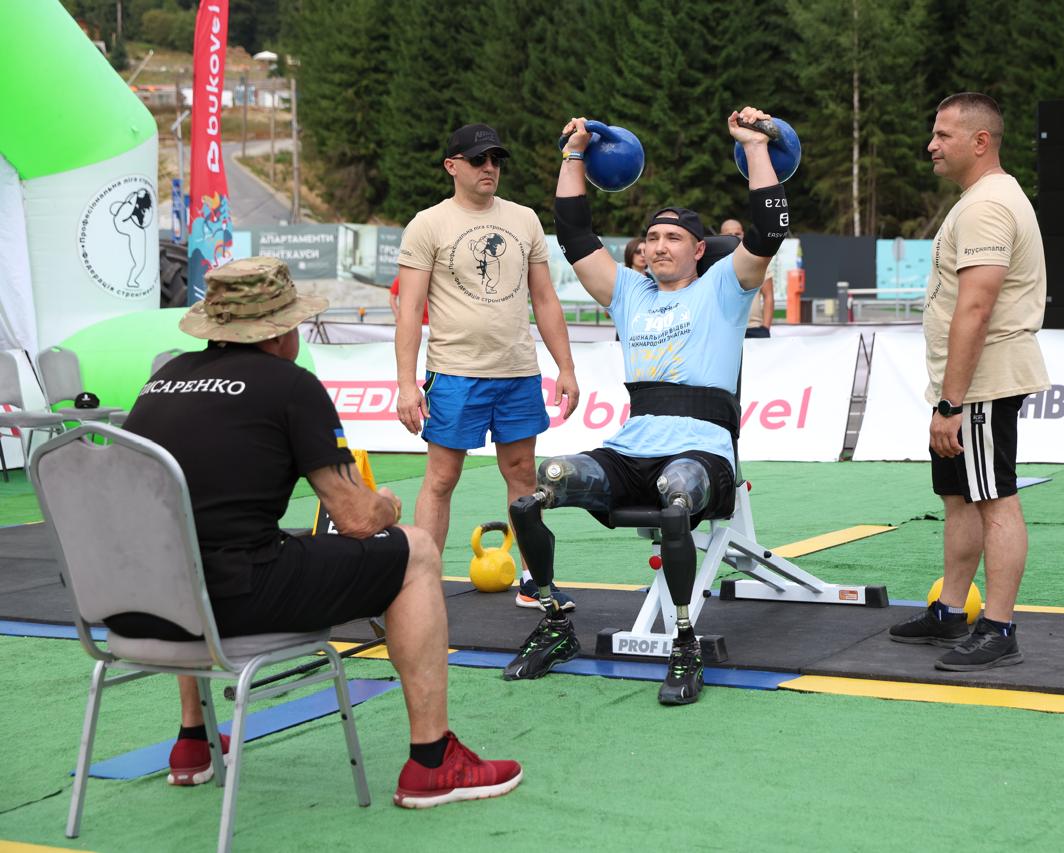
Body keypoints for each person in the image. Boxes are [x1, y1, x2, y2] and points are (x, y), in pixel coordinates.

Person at [121, 257, 521, 807]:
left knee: (186, 547)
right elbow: (355, 519)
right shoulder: (290, 385)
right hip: (236, 603)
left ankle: (194, 740)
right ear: (280, 331)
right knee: (416, 551)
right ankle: (432, 760)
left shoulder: (162, 380)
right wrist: (385, 505)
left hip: (135, 604)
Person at [501, 107, 789, 706]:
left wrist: (755, 146)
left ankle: (684, 643)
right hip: (632, 447)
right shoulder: (628, 291)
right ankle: (554, 622)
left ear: (700, 249)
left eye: (673, 238)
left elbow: (768, 229)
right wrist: (573, 153)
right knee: (539, 487)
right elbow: (573, 231)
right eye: (652, 237)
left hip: (701, 452)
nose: (658, 246)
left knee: (676, 493)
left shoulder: (726, 286)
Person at [888, 93, 1050, 671]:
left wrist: (951, 403)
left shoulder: (988, 205)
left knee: (994, 500)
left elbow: (976, 309)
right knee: (959, 497)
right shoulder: (979, 200)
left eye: (943, 135)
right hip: (965, 386)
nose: (931, 145)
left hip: (980, 385)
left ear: (981, 141)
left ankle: (999, 628)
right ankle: (950, 611)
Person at [393, 123, 580, 611]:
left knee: (523, 475)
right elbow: (409, 310)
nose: (489, 167)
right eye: (478, 159)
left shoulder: (524, 219)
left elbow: (545, 298)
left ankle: (535, 582)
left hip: (517, 372)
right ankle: (422, 587)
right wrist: (406, 384)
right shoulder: (427, 224)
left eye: (496, 159)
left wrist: (566, 367)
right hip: (454, 372)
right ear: (452, 166)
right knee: (441, 478)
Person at [718, 218, 776, 338]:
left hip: (755, 328)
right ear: (720, 236)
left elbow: (768, 296)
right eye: (729, 234)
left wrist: (765, 328)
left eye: (737, 233)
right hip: (724, 329)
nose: (734, 237)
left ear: (743, 234)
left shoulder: (757, 260)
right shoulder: (714, 263)